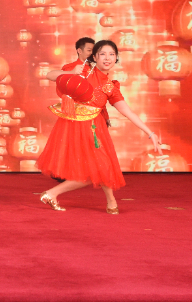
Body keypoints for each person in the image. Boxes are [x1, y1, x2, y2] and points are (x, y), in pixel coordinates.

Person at [36, 39, 161, 214]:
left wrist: (150, 133)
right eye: (102, 54)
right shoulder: (83, 71)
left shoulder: (110, 86)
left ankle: (110, 202)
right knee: (97, 169)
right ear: (94, 57)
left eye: (111, 54)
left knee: (101, 167)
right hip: (75, 127)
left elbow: (127, 111)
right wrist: (71, 72)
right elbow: (50, 75)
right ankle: (52, 193)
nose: (107, 58)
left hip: (95, 129)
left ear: (116, 58)